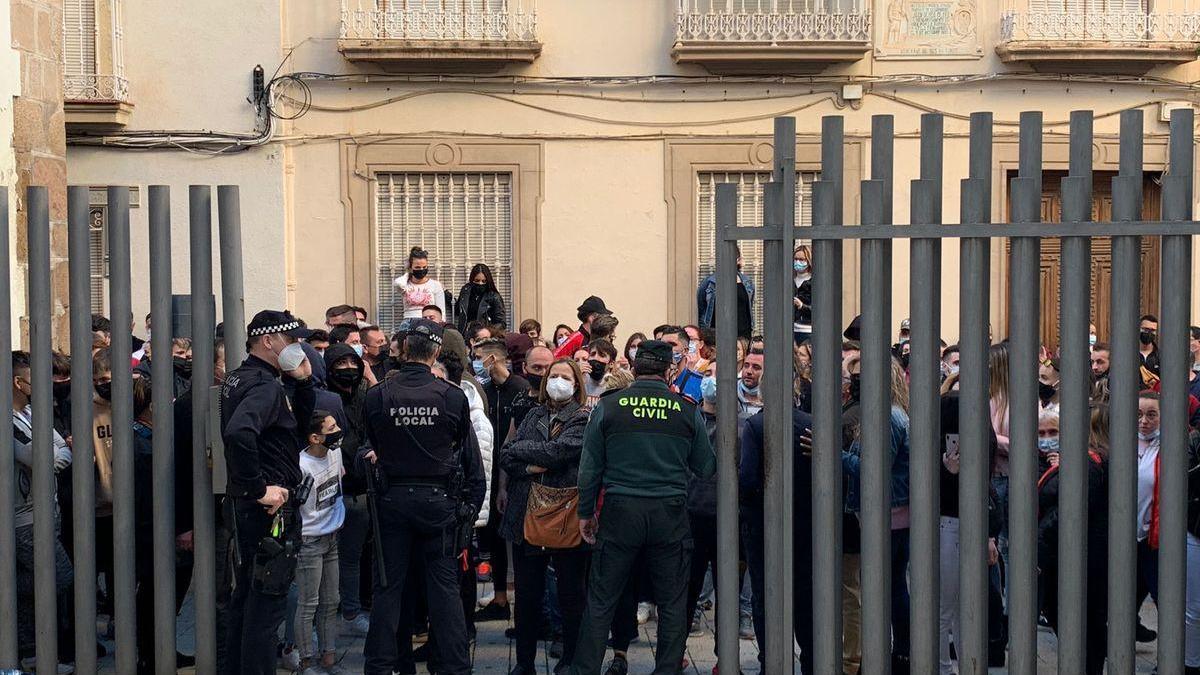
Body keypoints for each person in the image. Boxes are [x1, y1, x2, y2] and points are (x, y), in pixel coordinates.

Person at [572, 340, 716, 675]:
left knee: (601, 599)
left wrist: (585, 513)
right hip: (670, 513)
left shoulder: (609, 406)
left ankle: (585, 668)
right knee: (671, 602)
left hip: (620, 512)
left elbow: (589, 468)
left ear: (634, 369)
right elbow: (705, 467)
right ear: (668, 370)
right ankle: (666, 669)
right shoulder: (686, 408)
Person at [360, 319, 485, 675]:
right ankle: (455, 668)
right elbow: (463, 449)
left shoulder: (378, 394)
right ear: (434, 353)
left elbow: (374, 442)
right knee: (444, 591)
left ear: (400, 351)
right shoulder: (451, 395)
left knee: (388, 590)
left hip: (392, 501)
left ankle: (381, 667)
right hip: (437, 501)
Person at [220, 309, 316, 675]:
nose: (299, 347)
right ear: (268, 341)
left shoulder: (244, 378)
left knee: (246, 601)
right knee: (266, 607)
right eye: (292, 340)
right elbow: (239, 433)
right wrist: (259, 489)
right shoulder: (264, 386)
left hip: (250, 508)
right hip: (268, 511)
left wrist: (305, 383)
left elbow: (295, 431)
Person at [499, 358, 591, 675]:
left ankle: (570, 659)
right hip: (526, 513)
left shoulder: (582, 418)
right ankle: (524, 663)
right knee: (527, 595)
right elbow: (506, 454)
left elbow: (559, 453)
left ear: (576, 383)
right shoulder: (533, 414)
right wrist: (528, 465)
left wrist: (528, 453)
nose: (558, 381)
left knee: (570, 593)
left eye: (566, 376)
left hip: (564, 513)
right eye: (554, 375)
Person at [742, 365, 815, 674]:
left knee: (765, 596)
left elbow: (746, 479)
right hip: (805, 524)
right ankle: (812, 659)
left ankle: (770, 660)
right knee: (806, 597)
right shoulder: (811, 424)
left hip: (764, 526)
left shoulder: (756, 426)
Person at [841, 356, 912, 672]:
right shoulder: (892, 415)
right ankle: (900, 653)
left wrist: (835, 453)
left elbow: (872, 471)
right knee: (893, 585)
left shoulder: (888, 418)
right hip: (892, 514)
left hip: (887, 516)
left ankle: (898, 653)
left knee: (889, 588)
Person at [12, 350, 75, 673]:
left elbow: (62, 449)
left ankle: (30, 653)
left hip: (47, 508)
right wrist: (58, 454)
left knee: (33, 582)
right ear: (17, 382)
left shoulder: (34, 412)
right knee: (59, 577)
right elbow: (41, 459)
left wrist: (58, 454)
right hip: (24, 517)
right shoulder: (9, 422)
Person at [1038, 404, 1109, 675]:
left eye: (1053, 430)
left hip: (1076, 555)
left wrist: (1038, 548)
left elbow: (1067, 512)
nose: (1047, 437)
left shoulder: (1088, 465)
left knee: (1082, 622)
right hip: (1073, 554)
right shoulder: (1075, 461)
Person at [473, 337, 531, 622]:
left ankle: (523, 602)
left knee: (515, 539)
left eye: (478, 357)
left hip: (513, 472)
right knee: (492, 537)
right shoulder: (482, 391)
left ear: (492, 360)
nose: (475, 363)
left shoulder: (519, 389)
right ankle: (499, 598)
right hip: (487, 472)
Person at [321, 342, 373, 637]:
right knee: (324, 559)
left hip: (358, 492)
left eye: (352, 365)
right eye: (340, 366)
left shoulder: (365, 399)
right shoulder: (324, 400)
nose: (348, 372)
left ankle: (351, 612)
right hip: (329, 492)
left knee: (351, 558)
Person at [295, 411, 348, 675]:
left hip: (332, 537)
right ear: (315, 437)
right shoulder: (302, 465)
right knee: (309, 603)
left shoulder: (335, 454)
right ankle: (306, 661)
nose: (338, 431)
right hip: (310, 541)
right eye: (332, 428)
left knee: (331, 600)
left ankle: (328, 657)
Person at [696, 246, 755, 340]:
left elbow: (748, 307)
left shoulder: (747, 282)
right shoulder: (709, 283)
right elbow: (702, 309)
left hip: (743, 335)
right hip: (717, 334)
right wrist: (705, 334)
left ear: (738, 260)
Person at [394, 247, 447, 320]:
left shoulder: (435, 285)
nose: (421, 270)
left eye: (424, 267)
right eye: (417, 267)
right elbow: (398, 283)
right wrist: (407, 272)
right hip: (409, 324)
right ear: (410, 268)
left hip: (428, 323)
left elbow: (441, 311)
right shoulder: (405, 284)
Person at [455, 263, 507, 332]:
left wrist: (488, 332)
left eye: (484, 281)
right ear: (472, 279)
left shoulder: (494, 296)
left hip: (484, 338)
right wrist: (445, 293)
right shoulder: (466, 291)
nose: (480, 283)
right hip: (465, 335)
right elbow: (457, 309)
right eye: (477, 280)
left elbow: (501, 323)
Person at [582, 339, 616, 406]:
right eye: (592, 354)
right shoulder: (581, 379)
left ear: (611, 364)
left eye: (602, 355)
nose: (596, 358)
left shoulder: (615, 385)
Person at [793, 245, 813, 344]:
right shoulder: (790, 280)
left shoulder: (814, 281)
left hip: (809, 331)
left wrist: (801, 306)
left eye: (801, 259)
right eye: (796, 259)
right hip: (792, 330)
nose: (798, 262)